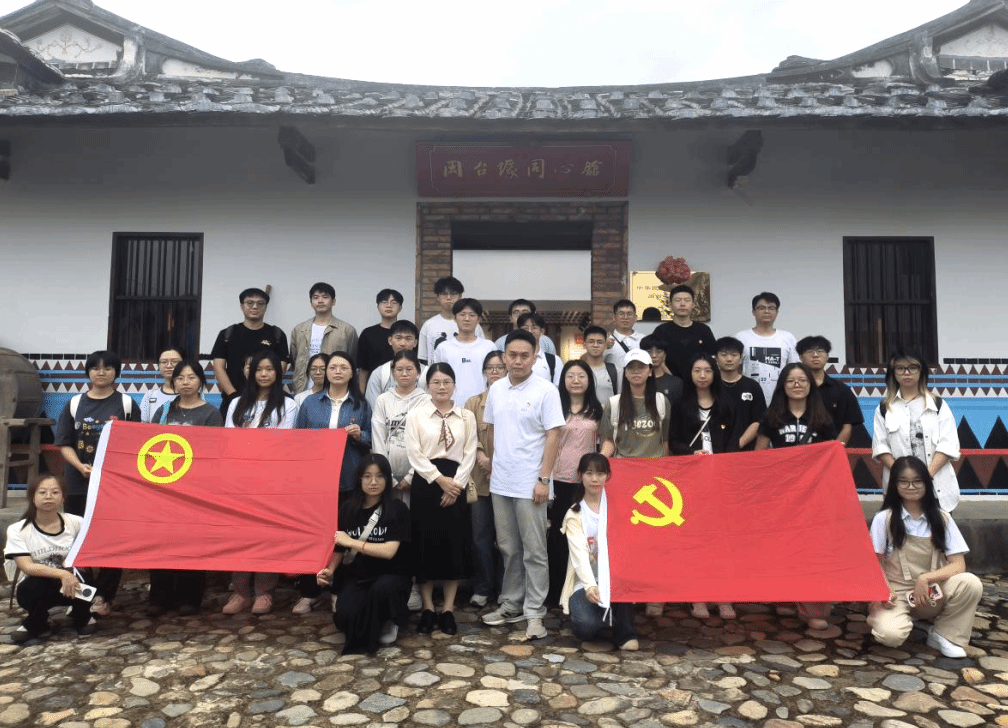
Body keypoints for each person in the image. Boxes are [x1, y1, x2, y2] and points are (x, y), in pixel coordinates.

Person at [481, 330, 564, 641]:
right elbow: (491, 429)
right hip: (501, 482)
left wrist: (544, 479)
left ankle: (535, 613)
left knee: (534, 550)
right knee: (508, 548)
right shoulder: (496, 389)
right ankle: (512, 604)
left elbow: (554, 435)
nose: (517, 361)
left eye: (524, 355)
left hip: (532, 483)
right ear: (504, 357)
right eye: (512, 355)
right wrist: (494, 462)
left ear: (534, 357)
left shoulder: (546, 390)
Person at [866, 456, 983, 658]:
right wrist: (885, 589)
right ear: (894, 485)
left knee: (970, 583)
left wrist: (925, 578)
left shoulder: (942, 518)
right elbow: (873, 563)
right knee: (890, 636)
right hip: (896, 593)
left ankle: (944, 635)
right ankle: (897, 619)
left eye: (917, 481)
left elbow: (958, 565)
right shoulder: (883, 519)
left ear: (927, 483)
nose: (911, 487)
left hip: (931, 591)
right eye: (904, 481)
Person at [54, 349, 140, 616]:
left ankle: (104, 596)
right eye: (95, 368)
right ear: (88, 372)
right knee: (78, 538)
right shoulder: (74, 404)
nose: (101, 372)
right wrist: (80, 466)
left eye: (107, 368)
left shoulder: (127, 404)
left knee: (112, 539)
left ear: (116, 372)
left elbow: (135, 445)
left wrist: (111, 471)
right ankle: (83, 594)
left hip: (113, 486)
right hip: (78, 484)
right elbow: (64, 443)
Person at [755, 361, 837, 630]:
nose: (797, 385)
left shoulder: (823, 418)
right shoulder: (772, 417)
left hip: (814, 496)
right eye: (791, 381)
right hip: (782, 495)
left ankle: (811, 603)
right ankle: (785, 595)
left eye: (802, 380)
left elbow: (832, 455)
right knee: (783, 545)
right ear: (783, 386)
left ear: (810, 385)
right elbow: (759, 454)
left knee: (811, 547)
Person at [223, 349, 297, 615]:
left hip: (271, 480)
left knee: (267, 535)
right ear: (251, 373)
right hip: (241, 480)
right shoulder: (236, 404)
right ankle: (241, 592)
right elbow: (230, 440)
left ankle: (264, 592)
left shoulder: (288, 405)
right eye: (259, 369)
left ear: (278, 373)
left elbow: (282, 443)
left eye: (269, 369)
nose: (264, 374)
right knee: (240, 535)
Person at [405, 363, 478, 636]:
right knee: (425, 545)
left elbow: (470, 453)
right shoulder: (416, 415)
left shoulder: (466, 416)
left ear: (454, 385)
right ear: (428, 386)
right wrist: (439, 480)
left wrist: (455, 485)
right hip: (426, 483)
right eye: (436, 382)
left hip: (457, 483)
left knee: (453, 545)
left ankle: (447, 609)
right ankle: (427, 607)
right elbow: (414, 452)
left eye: (447, 381)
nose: (442, 387)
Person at [148, 359, 223, 616]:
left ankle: (189, 597)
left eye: (191, 377)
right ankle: (159, 596)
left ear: (201, 381)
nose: (185, 382)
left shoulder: (211, 414)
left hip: (195, 489)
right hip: (164, 489)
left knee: (191, 541)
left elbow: (214, 452)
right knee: (160, 541)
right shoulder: (163, 412)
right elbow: (150, 445)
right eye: (180, 378)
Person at [316, 454, 412, 654]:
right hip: (358, 576)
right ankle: (372, 620)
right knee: (345, 620)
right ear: (359, 479)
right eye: (367, 476)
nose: (373, 482)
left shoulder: (397, 509)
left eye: (379, 476)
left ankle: (388, 619)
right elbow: (339, 548)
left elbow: (389, 551)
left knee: (382, 589)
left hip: (391, 575)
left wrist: (351, 542)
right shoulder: (348, 509)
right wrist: (329, 571)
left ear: (387, 479)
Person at [669, 353, 737, 621]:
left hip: (721, 479)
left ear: (714, 373)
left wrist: (724, 462)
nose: (702, 375)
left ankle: (723, 595)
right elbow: (674, 441)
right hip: (691, 479)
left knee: (722, 538)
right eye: (697, 370)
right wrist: (691, 453)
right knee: (695, 538)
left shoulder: (727, 403)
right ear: (690, 374)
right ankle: (697, 595)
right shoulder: (680, 405)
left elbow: (734, 439)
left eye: (707, 370)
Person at [5, 474, 99, 644]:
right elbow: (27, 567)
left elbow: (91, 552)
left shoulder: (76, 522)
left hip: (73, 582)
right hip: (40, 584)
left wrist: (72, 567)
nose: (48, 496)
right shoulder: (17, 529)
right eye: (42, 492)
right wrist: (63, 574)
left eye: (55, 492)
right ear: (32, 497)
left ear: (63, 498)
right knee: (30, 587)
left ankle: (82, 614)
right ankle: (37, 621)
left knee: (86, 578)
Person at [560, 454, 639, 651]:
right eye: (589, 473)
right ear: (580, 476)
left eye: (600, 473)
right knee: (586, 626)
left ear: (608, 476)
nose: (594, 479)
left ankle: (624, 632)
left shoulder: (617, 507)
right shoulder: (574, 514)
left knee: (622, 593)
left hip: (615, 579)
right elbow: (579, 556)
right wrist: (589, 586)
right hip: (586, 583)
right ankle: (605, 619)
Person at [872, 347, 960, 512]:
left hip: (937, 488)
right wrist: (904, 478)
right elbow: (881, 446)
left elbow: (948, 444)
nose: (907, 372)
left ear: (921, 371)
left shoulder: (938, 405)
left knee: (938, 528)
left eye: (912, 367)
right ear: (893, 373)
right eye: (900, 368)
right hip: (898, 488)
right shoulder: (884, 409)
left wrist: (925, 476)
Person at [548, 361, 603, 607]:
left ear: (589, 380)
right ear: (563, 380)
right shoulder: (555, 409)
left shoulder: (598, 410)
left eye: (581, 375)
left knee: (585, 537)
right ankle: (557, 592)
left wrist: (597, 469)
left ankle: (585, 588)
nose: (576, 380)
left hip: (587, 482)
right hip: (559, 479)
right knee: (559, 538)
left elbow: (606, 441)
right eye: (570, 376)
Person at [463, 350, 506, 609]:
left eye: (500, 367)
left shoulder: (513, 400)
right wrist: (480, 454)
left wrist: (497, 462)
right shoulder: (473, 403)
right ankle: (482, 587)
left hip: (507, 481)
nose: (495, 372)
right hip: (479, 481)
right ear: (484, 372)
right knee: (480, 538)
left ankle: (504, 589)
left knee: (505, 541)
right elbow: (467, 435)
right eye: (490, 367)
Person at [296, 351, 372, 493]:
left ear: (352, 373)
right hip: (315, 474)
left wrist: (360, 435)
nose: (338, 371)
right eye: (332, 367)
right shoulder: (310, 402)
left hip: (349, 475)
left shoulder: (362, 405)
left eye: (343, 368)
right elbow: (298, 438)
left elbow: (371, 438)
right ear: (326, 372)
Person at [211, 288, 290, 416]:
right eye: (250, 303)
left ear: (265, 307)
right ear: (242, 307)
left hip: (268, 402)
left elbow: (281, 368)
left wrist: (263, 396)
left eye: (260, 303)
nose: (255, 307)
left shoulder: (277, 335)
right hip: (232, 400)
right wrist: (233, 395)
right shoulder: (227, 334)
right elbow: (218, 367)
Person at [600, 349, 671, 460]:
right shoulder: (614, 403)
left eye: (641, 367)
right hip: (625, 465)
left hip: (655, 465)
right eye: (631, 367)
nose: (636, 371)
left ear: (650, 371)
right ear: (625, 373)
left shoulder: (661, 401)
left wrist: (665, 465)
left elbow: (665, 440)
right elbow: (608, 440)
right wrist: (601, 457)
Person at [289, 282, 359, 393]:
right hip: (303, 388)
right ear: (311, 302)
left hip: (335, 389)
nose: (320, 301)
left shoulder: (347, 330)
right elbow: (294, 359)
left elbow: (352, 360)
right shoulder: (299, 330)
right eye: (316, 297)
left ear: (333, 301)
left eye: (325, 297)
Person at [797, 335, 863, 446]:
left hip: (832, 451)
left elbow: (848, 426)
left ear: (827, 356)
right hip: (799, 451)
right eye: (810, 351)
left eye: (820, 351)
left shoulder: (842, 390)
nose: (815, 355)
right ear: (801, 357)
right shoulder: (793, 388)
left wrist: (834, 449)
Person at [735, 292, 799, 405]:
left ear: (777, 312)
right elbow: (735, 369)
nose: (766, 311)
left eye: (771, 308)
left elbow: (795, 370)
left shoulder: (788, 338)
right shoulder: (741, 337)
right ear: (753, 312)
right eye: (761, 308)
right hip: (748, 399)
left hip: (781, 401)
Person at [433, 298, 498, 404]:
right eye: (462, 314)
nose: (467, 319)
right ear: (455, 318)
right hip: (451, 405)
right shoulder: (443, 348)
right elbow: (436, 378)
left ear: (478, 319)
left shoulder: (489, 347)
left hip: (482, 406)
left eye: (472, 315)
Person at [653, 284, 717, 379]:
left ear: (693, 305)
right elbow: (657, 360)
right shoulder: (661, 331)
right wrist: (673, 381)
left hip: (699, 382)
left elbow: (712, 358)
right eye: (678, 300)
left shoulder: (703, 330)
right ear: (670, 304)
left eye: (687, 300)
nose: (682, 304)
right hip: (669, 382)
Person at [418, 276, 485, 365]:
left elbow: (483, 353)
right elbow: (423, 359)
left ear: (460, 296)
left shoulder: (472, 324)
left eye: (453, 294)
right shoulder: (429, 325)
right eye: (444, 294)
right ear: (437, 297)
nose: (449, 298)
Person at [715, 336, 766, 451]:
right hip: (713, 450)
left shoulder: (752, 386)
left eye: (734, 355)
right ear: (716, 358)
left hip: (745, 450)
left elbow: (759, 420)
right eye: (724, 355)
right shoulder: (710, 385)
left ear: (741, 357)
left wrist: (738, 444)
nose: (729, 359)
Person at [365, 320, 428, 408]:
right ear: (390, 340)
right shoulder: (379, 374)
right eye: (398, 338)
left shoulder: (427, 373)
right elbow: (373, 408)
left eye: (408, 338)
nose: (403, 343)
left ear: (415, 343)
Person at [358, 288, 404, 391]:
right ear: (378, 307)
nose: (389, 305)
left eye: (394, 302)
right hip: (373, 389)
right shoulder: (368, 333)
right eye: (384, 302)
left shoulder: (407, 333)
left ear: (400, 308)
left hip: (403, 388)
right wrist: (361, 394)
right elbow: (363, 369)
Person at [518, 312, 562, 386]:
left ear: (542, 331)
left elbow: (558, 387)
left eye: (534, 328)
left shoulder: (554, 360)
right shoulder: (512, 359)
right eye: (525, 328)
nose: (529, 331)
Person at [640, 334, 683, 408]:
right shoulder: (637, 380)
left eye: (659, 351)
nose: (654, 355)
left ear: (665, 355)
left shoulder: (676, 383)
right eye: (649, 351)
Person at [140, 347, 182, 422]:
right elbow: (143, 425)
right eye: (164, 362)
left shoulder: (194, 395)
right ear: (158, 366)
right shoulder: (151, 395)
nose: (169, 366)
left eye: (175, 361)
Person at [603, 299, 643, 378]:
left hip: (638, 384)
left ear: (635, 318)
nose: (625, 317)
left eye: (629, 314)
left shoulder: (643, 340)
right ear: (614, 317)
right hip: (614, 384)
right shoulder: (606, 342)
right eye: (621, 314)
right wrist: (603, 348)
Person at [581, 325, 619, 403]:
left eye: (599, 342)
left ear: (605, 345)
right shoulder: (577, 370)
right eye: (591, 342)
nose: (595, 345)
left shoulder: (615, 371)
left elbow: (620, 398)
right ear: (584, 345)